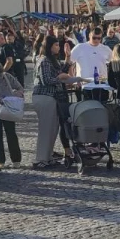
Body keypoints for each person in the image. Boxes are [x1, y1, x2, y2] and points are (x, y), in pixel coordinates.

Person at [31, 37, 73, 169]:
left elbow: (60, 72)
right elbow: (47, 80)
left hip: (51, 98)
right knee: (45, 130)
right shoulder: (44, 60)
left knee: (52, 129)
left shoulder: (51, 60)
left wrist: (68, 58)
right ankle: (41, 159)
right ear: (49, 46)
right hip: (44, 97)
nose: (58, 47)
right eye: (56, 45)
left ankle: (48, 157)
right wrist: (59, 78)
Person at [0, 68, 23, 170]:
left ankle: (16, 160)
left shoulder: (7, 76)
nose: (0, 77)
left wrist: (14, 96)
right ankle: (0, 160)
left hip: (8, 108)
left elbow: (20, 88)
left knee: (11, 133)